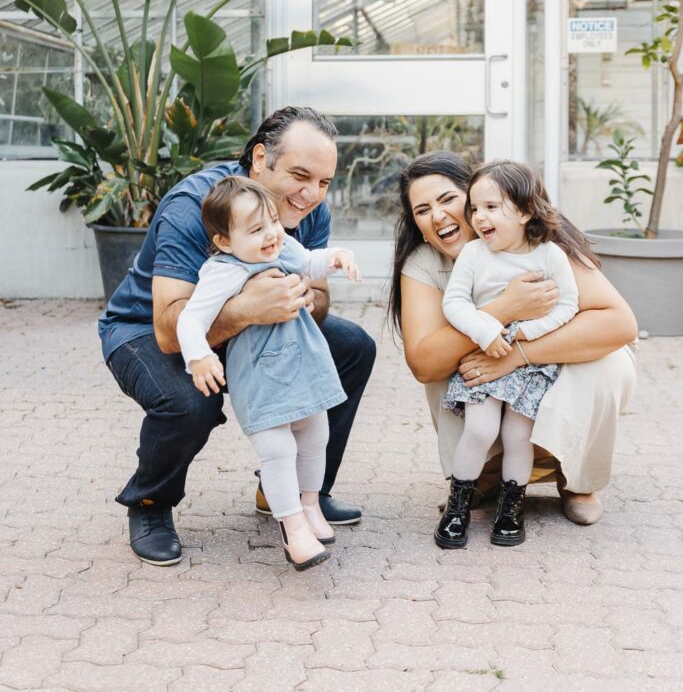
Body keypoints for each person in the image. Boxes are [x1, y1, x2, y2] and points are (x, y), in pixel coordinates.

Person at [99, 107, 376, 565]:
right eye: (300, 175)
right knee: (191, 400)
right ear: (262, 157)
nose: (311, 195)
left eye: (324, 182)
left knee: (351, 348)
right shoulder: (196, 206)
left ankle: (296, 491)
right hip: (143, 329)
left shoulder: (307, 209)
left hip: (255, 331)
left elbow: (321, 298)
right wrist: (249, 308)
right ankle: (150, 502)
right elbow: (170, 328)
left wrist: (301, 294)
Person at [388, 151, 637, 532]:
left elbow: (619, 323)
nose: (437, 216)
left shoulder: (541, 244)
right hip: (488, 368)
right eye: (422, 210)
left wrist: (519, 354)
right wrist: (502, 309)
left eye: (448, 200)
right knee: (444, 367)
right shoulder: (424, 263)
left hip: (542, 359)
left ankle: (577, 479)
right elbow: (423, 363)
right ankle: (484, 473)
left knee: (610, 362)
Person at [177, 175, 360, 570]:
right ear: (225, 241)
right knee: (278, 449)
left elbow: (309, 260)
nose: (272, 234)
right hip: (260, 376)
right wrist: (200, 357)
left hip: (304, 363)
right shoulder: (222, 270)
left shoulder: (282, 246)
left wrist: (336, 256)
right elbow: (190, 320)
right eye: (256, 229)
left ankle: (310, 506)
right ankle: (293, 528)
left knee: (316, 434)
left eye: (273, 221)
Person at [437, 160, 579, 549]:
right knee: (481, 429)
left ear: (525, 210)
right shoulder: (473, 254)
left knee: (519, 436)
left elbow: (568, 305)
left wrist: (526, 336)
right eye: (475, 208)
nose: (478, 217)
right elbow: (455, 303)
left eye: (491, 207)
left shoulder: (549, 255)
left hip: (529, 359)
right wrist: (485, 329)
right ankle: (458, 506)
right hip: (486, 350)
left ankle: (511, 507)